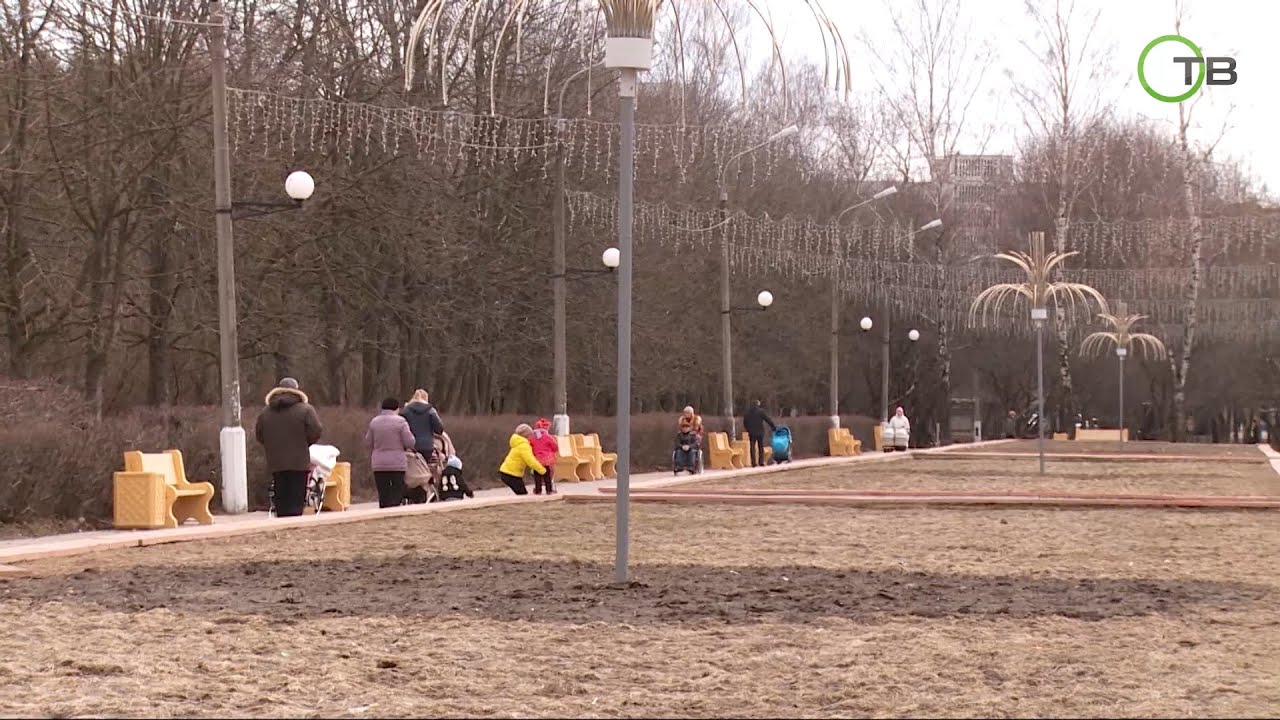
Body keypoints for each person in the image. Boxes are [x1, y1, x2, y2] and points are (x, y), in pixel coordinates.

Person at [254, 377, 323, 517]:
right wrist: (304, 444)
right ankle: (294, 523)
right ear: (297, 390)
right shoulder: (306, 410)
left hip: (276, 461)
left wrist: (273, 446)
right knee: (296, 497)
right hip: (299, 461)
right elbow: (316, 431)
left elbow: (260, 435)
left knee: (281, 496)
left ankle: (282, 522)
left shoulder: (265, 412)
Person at [365, 397, 417, 508]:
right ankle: (394, 516)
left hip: (379, 464)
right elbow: (410, 441)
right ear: (397, 409)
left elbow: (368, 442)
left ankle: (383, 514)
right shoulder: (401, 422)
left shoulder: (374, 422)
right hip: (397, 464)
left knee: (383, 494)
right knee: (396, 494)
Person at [498, 423, 547, 495]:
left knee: (522, 493)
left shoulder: (518, 443)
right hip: (511, 474)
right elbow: (530, 461)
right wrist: (542, 471)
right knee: (522, 494)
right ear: (527, 435)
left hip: (508, 472)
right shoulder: (524, 445)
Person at [402, 389, 445, 460]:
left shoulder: (406, 411)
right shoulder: (431, 410)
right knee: (424, 468)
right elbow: (439, 430)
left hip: (409, 447)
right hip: (426, 446)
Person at [528, 417, 559, 495]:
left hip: (536, 459)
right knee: (547, 475)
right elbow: (555, 446)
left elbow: (529, 446)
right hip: (546, 459)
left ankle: (538, 490)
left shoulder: (532, 437)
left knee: (537, 476)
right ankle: (549, 490)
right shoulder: (547, 436)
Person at [743, 399, 776, 468]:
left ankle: (753, 463)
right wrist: (773, 427)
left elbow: (745, 422)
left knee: (752, 447)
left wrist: (748, 429)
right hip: (760, 432)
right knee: (760, 447)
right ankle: (761, 462)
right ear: (758, 404)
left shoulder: (748, 412)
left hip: (751, 432)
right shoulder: (761, 412)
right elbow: (768, 419)